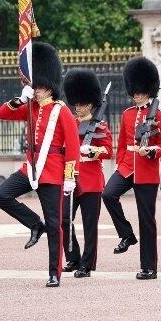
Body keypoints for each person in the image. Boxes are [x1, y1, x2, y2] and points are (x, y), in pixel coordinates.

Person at [0, 42, 79, 287]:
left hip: (52, 171)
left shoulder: (61, 111)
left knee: (55, 223)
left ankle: (54, 272)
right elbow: (2, 114)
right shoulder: (30, 107)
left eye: (39, 86)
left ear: (50, 86)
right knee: (1, 195)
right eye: (34, 86)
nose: (36, 90)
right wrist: (20, 100)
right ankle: (34, 224)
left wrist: (69, 176)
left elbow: (72, 147)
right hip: (30, 168)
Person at [102, 57, 161, 280]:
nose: (137, 94)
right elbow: (122, 143)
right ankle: (127, 234)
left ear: (148, 90)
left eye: (141, 91)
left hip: (147, 170)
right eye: (135, 91)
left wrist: (152, 151)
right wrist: (121, 163)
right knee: (108, 194)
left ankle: (149, 267)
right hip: (127, 167)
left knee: (146, 219)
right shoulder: (127, 114)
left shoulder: (159, 114)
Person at [60, 68, 112, 278]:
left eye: (82, 104)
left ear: (91, 104)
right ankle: (73, 258)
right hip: (71, 178)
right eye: (76, 103)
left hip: (91, 181)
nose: (78, 107)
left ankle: (87, 264)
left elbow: (108, 151)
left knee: (90, 226)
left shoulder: (100, 126)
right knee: (64, 219)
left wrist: (92, 151)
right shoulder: (69, 123)